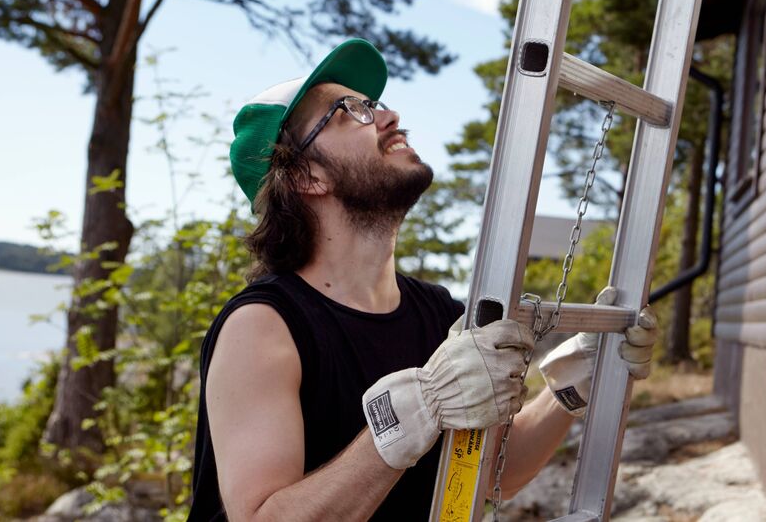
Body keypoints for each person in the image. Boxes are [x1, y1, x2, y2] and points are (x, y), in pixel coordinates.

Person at [188, 39, 658, 521]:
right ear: (306, 177)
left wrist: (576, 380)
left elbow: (499, 473)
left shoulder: (439, 313)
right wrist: (414, 416)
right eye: (350, 112)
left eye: (374, 103)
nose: (390, 117)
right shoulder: (263, 325)